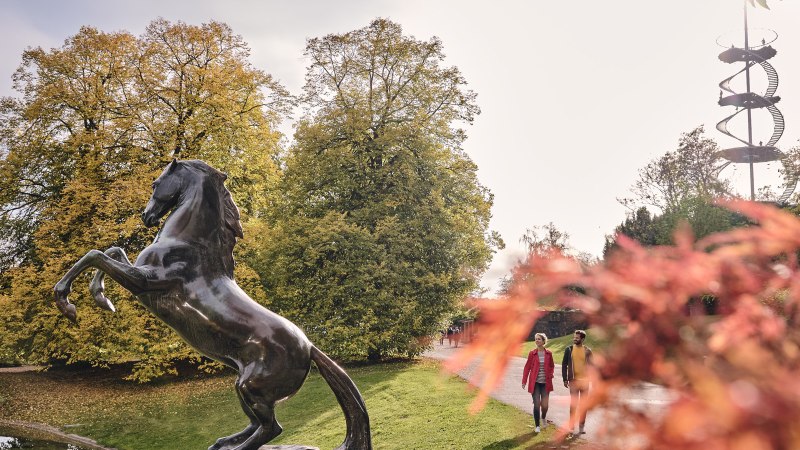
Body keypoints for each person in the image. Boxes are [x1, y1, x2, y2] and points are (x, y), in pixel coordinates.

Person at [522, 333, 554, 433]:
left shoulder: (549, 353)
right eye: (536, 339)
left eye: (539, 339)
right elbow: (527, 367)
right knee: (536, 404)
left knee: (545, 405)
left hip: (545, 383)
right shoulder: (532, 353)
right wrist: (524, 381)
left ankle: (543, 418)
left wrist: (550, 374)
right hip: (535, 383)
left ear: (544, 341)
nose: (537, 341)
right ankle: (537, 426)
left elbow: (552, 366)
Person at [562, 329, 593, 435]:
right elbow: (564, 364)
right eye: (574, 337)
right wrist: (565, 379)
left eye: (577, 338)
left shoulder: (588, 351)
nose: (574, 339)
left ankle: (581, 426)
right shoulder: (569, 349)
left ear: (582, 339)